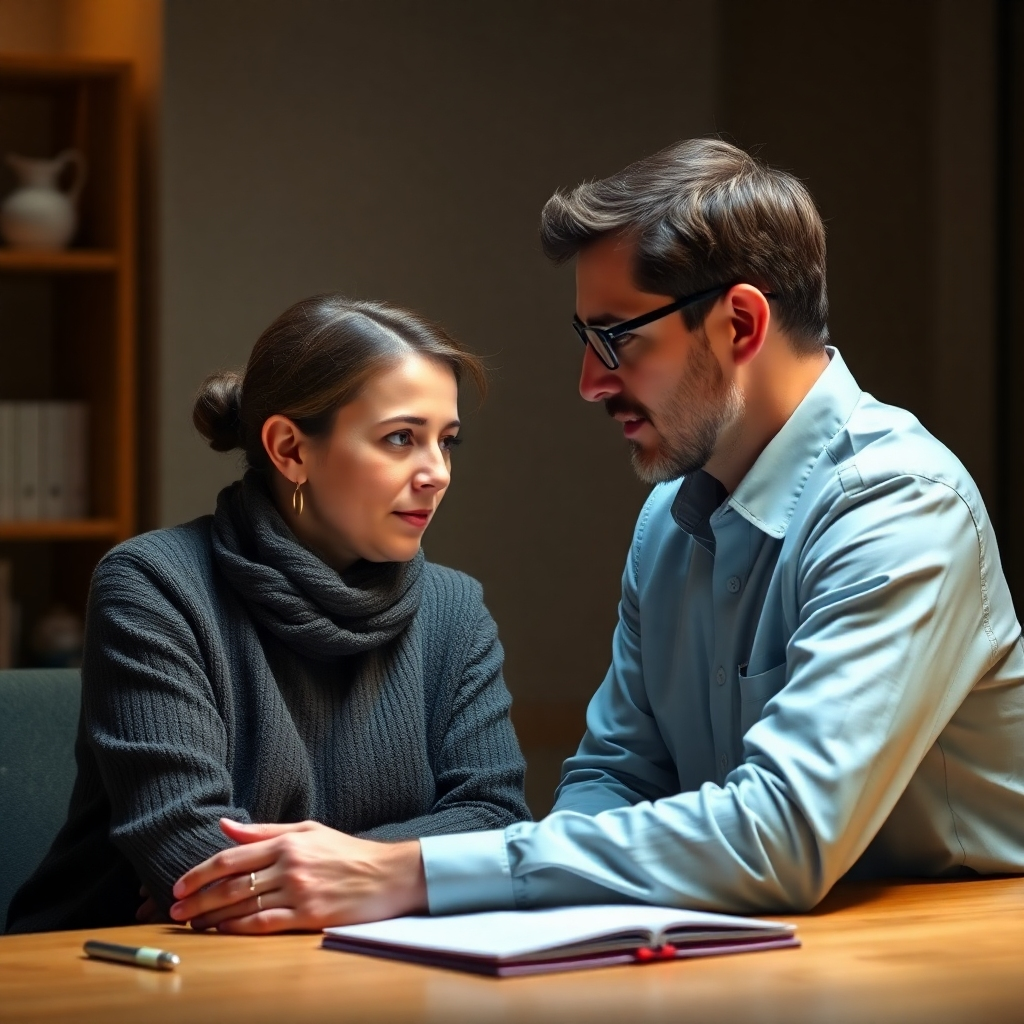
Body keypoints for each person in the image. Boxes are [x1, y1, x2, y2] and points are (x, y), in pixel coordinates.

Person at [165, 137, 1024, 931]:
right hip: (761, 945)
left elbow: (779, 837)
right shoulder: (668, 519)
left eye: (615, 338)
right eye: (587, 339)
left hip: (940, 949)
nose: (587, 382)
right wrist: (513, 923)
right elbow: (614, 779)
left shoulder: (898, 508)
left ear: (741, 325)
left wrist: (407, 872)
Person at [5, 295, 530, 935]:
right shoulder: (152, 584)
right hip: (127, 969)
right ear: (289, 449)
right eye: (401, 439)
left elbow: (498, 822)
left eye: (445, 442)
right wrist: (414, 869)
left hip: (350, 965)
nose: (437, 473)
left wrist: (317, 877)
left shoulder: (456, 609)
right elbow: (190, 856)